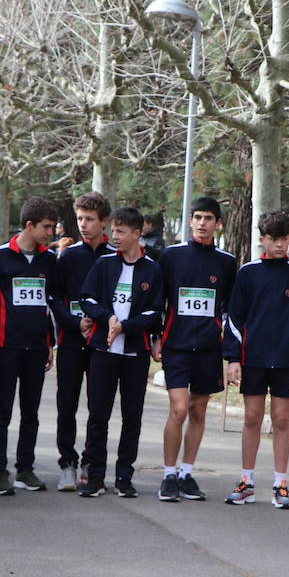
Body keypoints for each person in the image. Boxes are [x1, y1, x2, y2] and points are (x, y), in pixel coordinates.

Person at [222, 210, 289, 509]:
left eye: (284, 239)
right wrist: (233, 358)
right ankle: (246, 481)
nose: (279, 245)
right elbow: (234, 317)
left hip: (284, 359)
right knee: (252, 418)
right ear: (262, 240)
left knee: (282, 420)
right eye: (273, 239)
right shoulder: (248, 272)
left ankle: (280, 485)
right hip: (253, 358)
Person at [154, 197, 237, 503]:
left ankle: (187, 473)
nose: (203, 223)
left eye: (209, 218)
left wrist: (230, 352)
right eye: (198, 217)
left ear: (218, 224)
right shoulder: (171, 256)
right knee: (178, 409)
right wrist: (156, 336)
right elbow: (158, 302)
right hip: (176, 345)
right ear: (190, 221)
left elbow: (230, 309)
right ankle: (168, 474)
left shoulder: (227, 262)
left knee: (198, 410)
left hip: (208, 348)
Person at [77, 206, 164, 497]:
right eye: (113, 230)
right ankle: (95, 476)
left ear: (137, 235)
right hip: (103, 350)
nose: (114, 236)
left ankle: (124, 476)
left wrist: (125, 326)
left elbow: (155, 313)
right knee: (97, 415)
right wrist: (108, 319)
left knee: (132, 416)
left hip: (135, 355)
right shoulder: (103, 264)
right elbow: (86, 298)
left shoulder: (152, 269)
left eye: (121, 232)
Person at [0, 196, 60, 495]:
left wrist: (50, 342)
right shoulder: (0, 256)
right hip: (6, 345)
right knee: (2, 412)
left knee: (31, 411)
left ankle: (24, 469)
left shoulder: (48, 260)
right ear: (29, 225)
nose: (50, 233)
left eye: (52, 227)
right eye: (46, 227)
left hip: (36, 347)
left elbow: (48, 302)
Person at [51, 191, 113, 490]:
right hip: (71, 338)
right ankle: (67, 463)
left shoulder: (114, 256)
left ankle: (92, 462)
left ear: (105, 222)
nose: (84, 225)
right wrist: (75, 322)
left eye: (89, 219)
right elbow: (55, 298)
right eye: (79, 219)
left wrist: (100, 321)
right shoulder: (69, 255)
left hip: (103, 340)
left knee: (98, 406)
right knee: (67, 404)